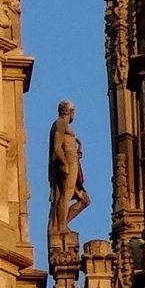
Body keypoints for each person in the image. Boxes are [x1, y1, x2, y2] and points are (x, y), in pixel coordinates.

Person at [47, 99, 91, 241]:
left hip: (74, 162)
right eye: (73, 112)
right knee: (65, 194)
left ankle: (63, 222)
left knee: (84, 200)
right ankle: (61, 227)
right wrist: (64, 163)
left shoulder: (63, 124)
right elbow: (57, 147)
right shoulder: (60, 123)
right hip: (68, 163)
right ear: (69, 111)